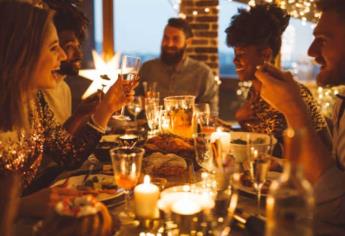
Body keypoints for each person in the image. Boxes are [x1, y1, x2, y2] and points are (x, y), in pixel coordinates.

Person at [0, 2, 135, 217]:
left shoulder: (34, 102)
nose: (63, 56)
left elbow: (69, 155)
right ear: (23, 52)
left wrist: (107, 108)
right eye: (54, 48)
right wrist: (20, 207)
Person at [254, 0, 345, 234]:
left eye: (323, 40)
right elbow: (334, 175)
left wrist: (293, 107)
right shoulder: (341, 103)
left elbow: (336, 208)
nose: (311, 52)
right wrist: (283, 165)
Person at [224, 3, 331, 148]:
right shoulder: (254, 92)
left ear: (265, 54)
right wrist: (240, 120)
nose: (235, 61)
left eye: (241, 54)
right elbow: (256, 141)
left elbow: (325, 149)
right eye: (235, 54)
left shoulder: (293, 94)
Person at [138, 17, 219, 113]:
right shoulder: (147, 68)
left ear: (188, 42)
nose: (169, 44)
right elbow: (132, 105)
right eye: (166, 38)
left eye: (175, 39)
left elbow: (210, 114)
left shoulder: (203, 73)